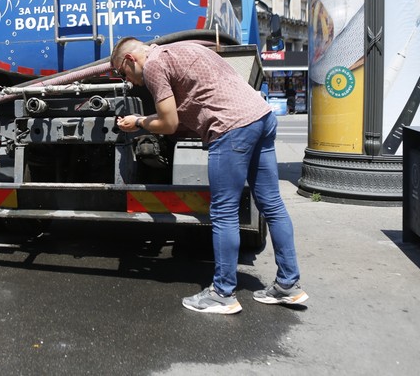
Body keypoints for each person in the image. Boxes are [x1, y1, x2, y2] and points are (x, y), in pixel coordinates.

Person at [111, 37, 307, 314]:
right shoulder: (185, 48)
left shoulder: (154, 65)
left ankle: (223, 293)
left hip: (231, 128)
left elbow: (169, 124)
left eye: (123, 73)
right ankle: (288, 284)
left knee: (223, 212)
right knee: (272, 204)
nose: (129, 81)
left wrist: (139, 123)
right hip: (261, 117)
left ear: (130, 60)